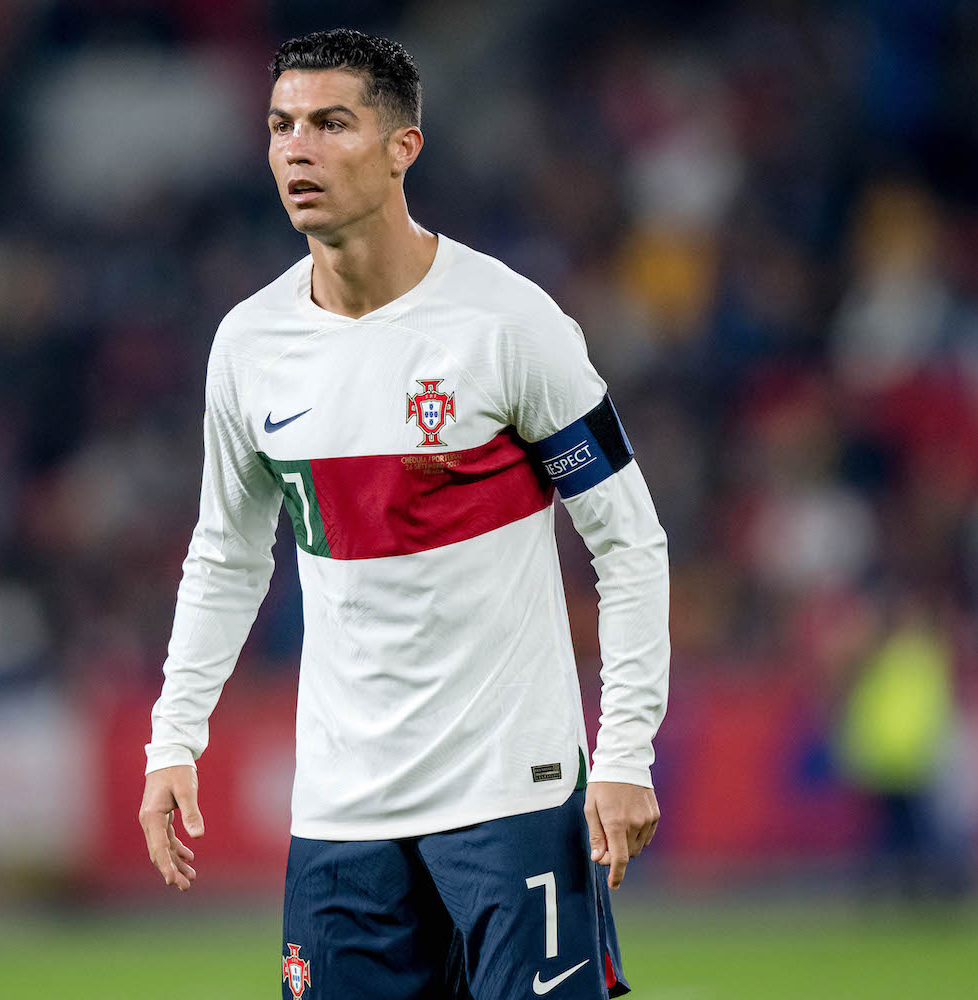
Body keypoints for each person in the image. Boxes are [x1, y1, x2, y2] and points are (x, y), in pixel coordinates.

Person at [138, 28, 669, 1000]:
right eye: (281, 126)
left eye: (332, 123)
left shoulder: (508, 324)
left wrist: (626, 749)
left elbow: (628, 542)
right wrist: (176, 736)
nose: (299, 148)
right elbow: (225, 554)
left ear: (402, 148)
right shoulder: (250, 344)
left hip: (513, 789)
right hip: (343, 804)